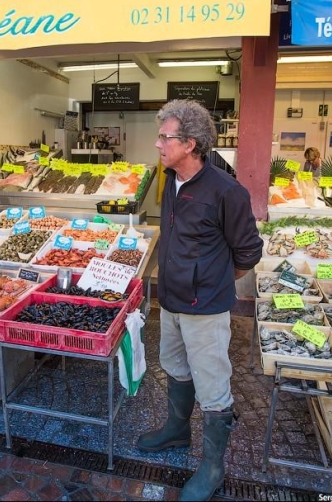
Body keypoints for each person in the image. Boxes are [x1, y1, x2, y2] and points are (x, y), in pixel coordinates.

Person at [138, 100, 263, 501]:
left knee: (212, 384)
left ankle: (212, 467)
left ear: (190, 143)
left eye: (164, 137)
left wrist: (214, 282)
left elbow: (247, 253)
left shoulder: (227, 191)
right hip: (171, 300)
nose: (158, 144)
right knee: (174, 366)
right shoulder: (171, 181)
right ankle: (176, 431)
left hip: (205, 307)